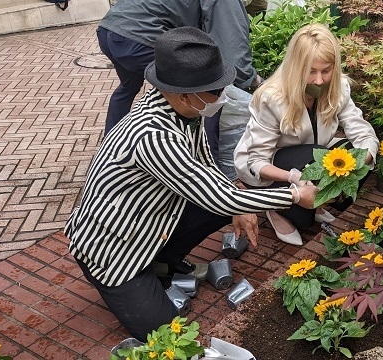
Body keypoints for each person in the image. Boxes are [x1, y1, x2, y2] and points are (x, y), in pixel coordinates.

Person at [64, 27, 316, 341]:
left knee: (229, 199)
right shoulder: (154, 135)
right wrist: (293, 194)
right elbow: (216, 196)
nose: (222, 96)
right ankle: (143, 272)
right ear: (185, 94)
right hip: (112, 248)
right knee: (167, 334)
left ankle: (162, 261)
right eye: (215, 90)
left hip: (147, 218)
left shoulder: (184, 111)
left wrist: (237, 200)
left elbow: (207, 166)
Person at [234, 23, 379, 246]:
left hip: (309, 159)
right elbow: (256, 161)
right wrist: (294, 177)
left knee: (354, 153)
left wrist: (359, 163)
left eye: (326, 70)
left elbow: (363, 133)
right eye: (311, 71)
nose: (319, 81)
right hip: (270, 167)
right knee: (304, 217)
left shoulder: (339, 88)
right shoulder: (271, 97)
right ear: (296, 67)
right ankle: (276, 209)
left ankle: (313, 201)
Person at [96, 0, 263, 163]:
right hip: (139, 36)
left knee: (127, 87)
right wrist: (253, 79)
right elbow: (232, 41)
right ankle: (207, 163)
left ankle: (110, 149)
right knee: (205, 92)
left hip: (109, 29)